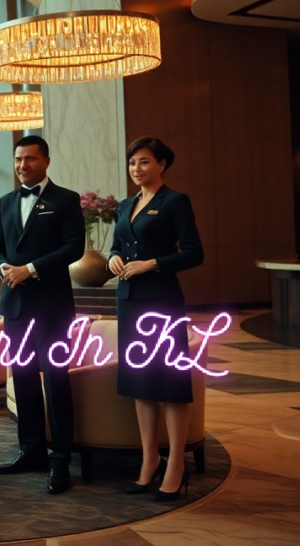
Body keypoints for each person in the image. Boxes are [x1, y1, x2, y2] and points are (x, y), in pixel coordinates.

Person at [0, 136, 85, 495]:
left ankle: (60, 460)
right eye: (17, 159)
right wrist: (4, 269)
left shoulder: (65, 199)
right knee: (24, 379)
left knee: (56, 381)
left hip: (52, 308)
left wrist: (29, 268)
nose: (22, 165)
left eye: (29, 158)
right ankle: (30, 451)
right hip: (14, 306)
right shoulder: (7, 200)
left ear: (46, 160)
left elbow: (74, 248)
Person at [108, 137, 203, 502]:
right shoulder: (125, 205)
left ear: (162, 164)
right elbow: (118, 245)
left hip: (162, 302)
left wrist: (154, 263)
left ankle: (177, 464)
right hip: (129, 301)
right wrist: (112, 259)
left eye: (144, 162)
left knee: (171, 384)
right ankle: (150, 460)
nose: (137, 169)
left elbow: (195, 253)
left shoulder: (175, 201)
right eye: (133, 162)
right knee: (140, 384)